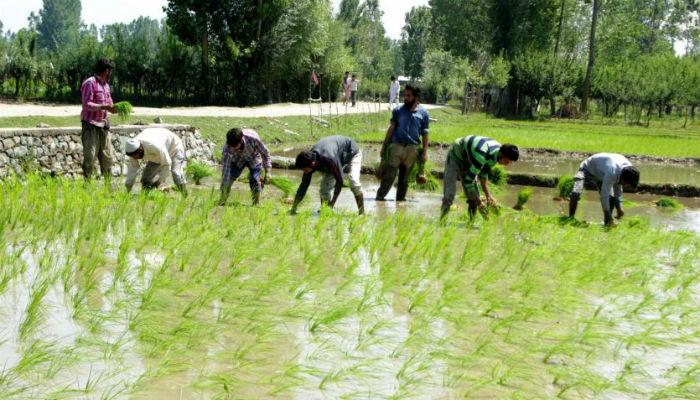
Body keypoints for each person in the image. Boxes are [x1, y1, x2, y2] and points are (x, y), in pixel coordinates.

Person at [440, 136, 519, 220]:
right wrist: (480, 203)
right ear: (501, 154)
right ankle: (442, 223)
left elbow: (483, 174)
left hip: (470, 157)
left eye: (509, 163)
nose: (506, 165)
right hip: (456, 155)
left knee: (473, 198)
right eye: (506, 161)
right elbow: (468, 181)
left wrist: (488, 196)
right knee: (449, 194)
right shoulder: (482, 155)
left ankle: (471, 225)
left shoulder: (496, 154)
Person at [376, 85, 430, 202]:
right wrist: (384, 146)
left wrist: (425, 152)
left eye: (408, 96)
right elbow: (391, 128)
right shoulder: (398, 110)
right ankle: (379, 198)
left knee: (405, 179)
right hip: (396, 147)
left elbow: (425, 134)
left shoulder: (424, 113)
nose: (405, 98)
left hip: (412, 150)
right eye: (404, 95)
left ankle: (400, 202)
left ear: (415, 97)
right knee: (389, 176)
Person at [291, 135, 364, 215]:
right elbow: (304, 185)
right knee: (324, 189)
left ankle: (362, 213)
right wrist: (294, 207)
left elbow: (339, 181)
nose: (304, 171)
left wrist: (332, 203)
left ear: (312, 164)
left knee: (353, 181)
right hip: (336, 156)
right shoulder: (309, 159)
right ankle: (325, 210)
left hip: (352, 152)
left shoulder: (329, 159)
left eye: (305, 169)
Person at [569, 153, 640, 226]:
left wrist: (619, 208)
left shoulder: (630, 170)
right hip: (587, 168)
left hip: (602, 174)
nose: (625, 186)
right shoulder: (612, 172)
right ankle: (570, 219)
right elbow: (604, 196)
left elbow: (617, 190)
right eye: (626, 184)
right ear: (623, 178)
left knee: (611, 198)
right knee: (576, 193)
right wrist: (607, 214)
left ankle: (607, 223)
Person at [80, 57, 117, 179]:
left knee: (107, 157)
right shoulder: (90, 83)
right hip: (90, 125)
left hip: (103, 125)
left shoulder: (106, 85)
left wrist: (114, 107)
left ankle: (108, 185)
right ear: (105, 70)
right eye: (109, 70)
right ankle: (87, 184)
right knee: (90, 157)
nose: (110, 73)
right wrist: (103, 106)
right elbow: (87, 105)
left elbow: (109, 101)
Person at [124, 128, 187, 195]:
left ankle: (185, 196)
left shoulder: (155, 146)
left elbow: (166, 164)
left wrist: (159, 182)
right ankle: (145, 197)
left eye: (136, 156)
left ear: (140, 150)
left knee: (176, 172)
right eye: (133, 156)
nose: (135, 158)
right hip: (158, 154)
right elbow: (132, 169)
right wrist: (128, 188)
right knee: (145, 178)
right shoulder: (132, 150)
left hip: (175, 148)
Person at [219, 128, 272, 206]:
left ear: (241, 141)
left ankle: (255, 204)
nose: (232, 148)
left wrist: (268, 172)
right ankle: (222, 200)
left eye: (234, 146)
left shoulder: (253, 139)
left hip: (253, 157)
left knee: (254, 179)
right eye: (231, 146)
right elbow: (226, 170)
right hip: (237, 160)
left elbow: (265, 154)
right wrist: (225, 184)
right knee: (229, 180)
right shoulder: (227, 148)